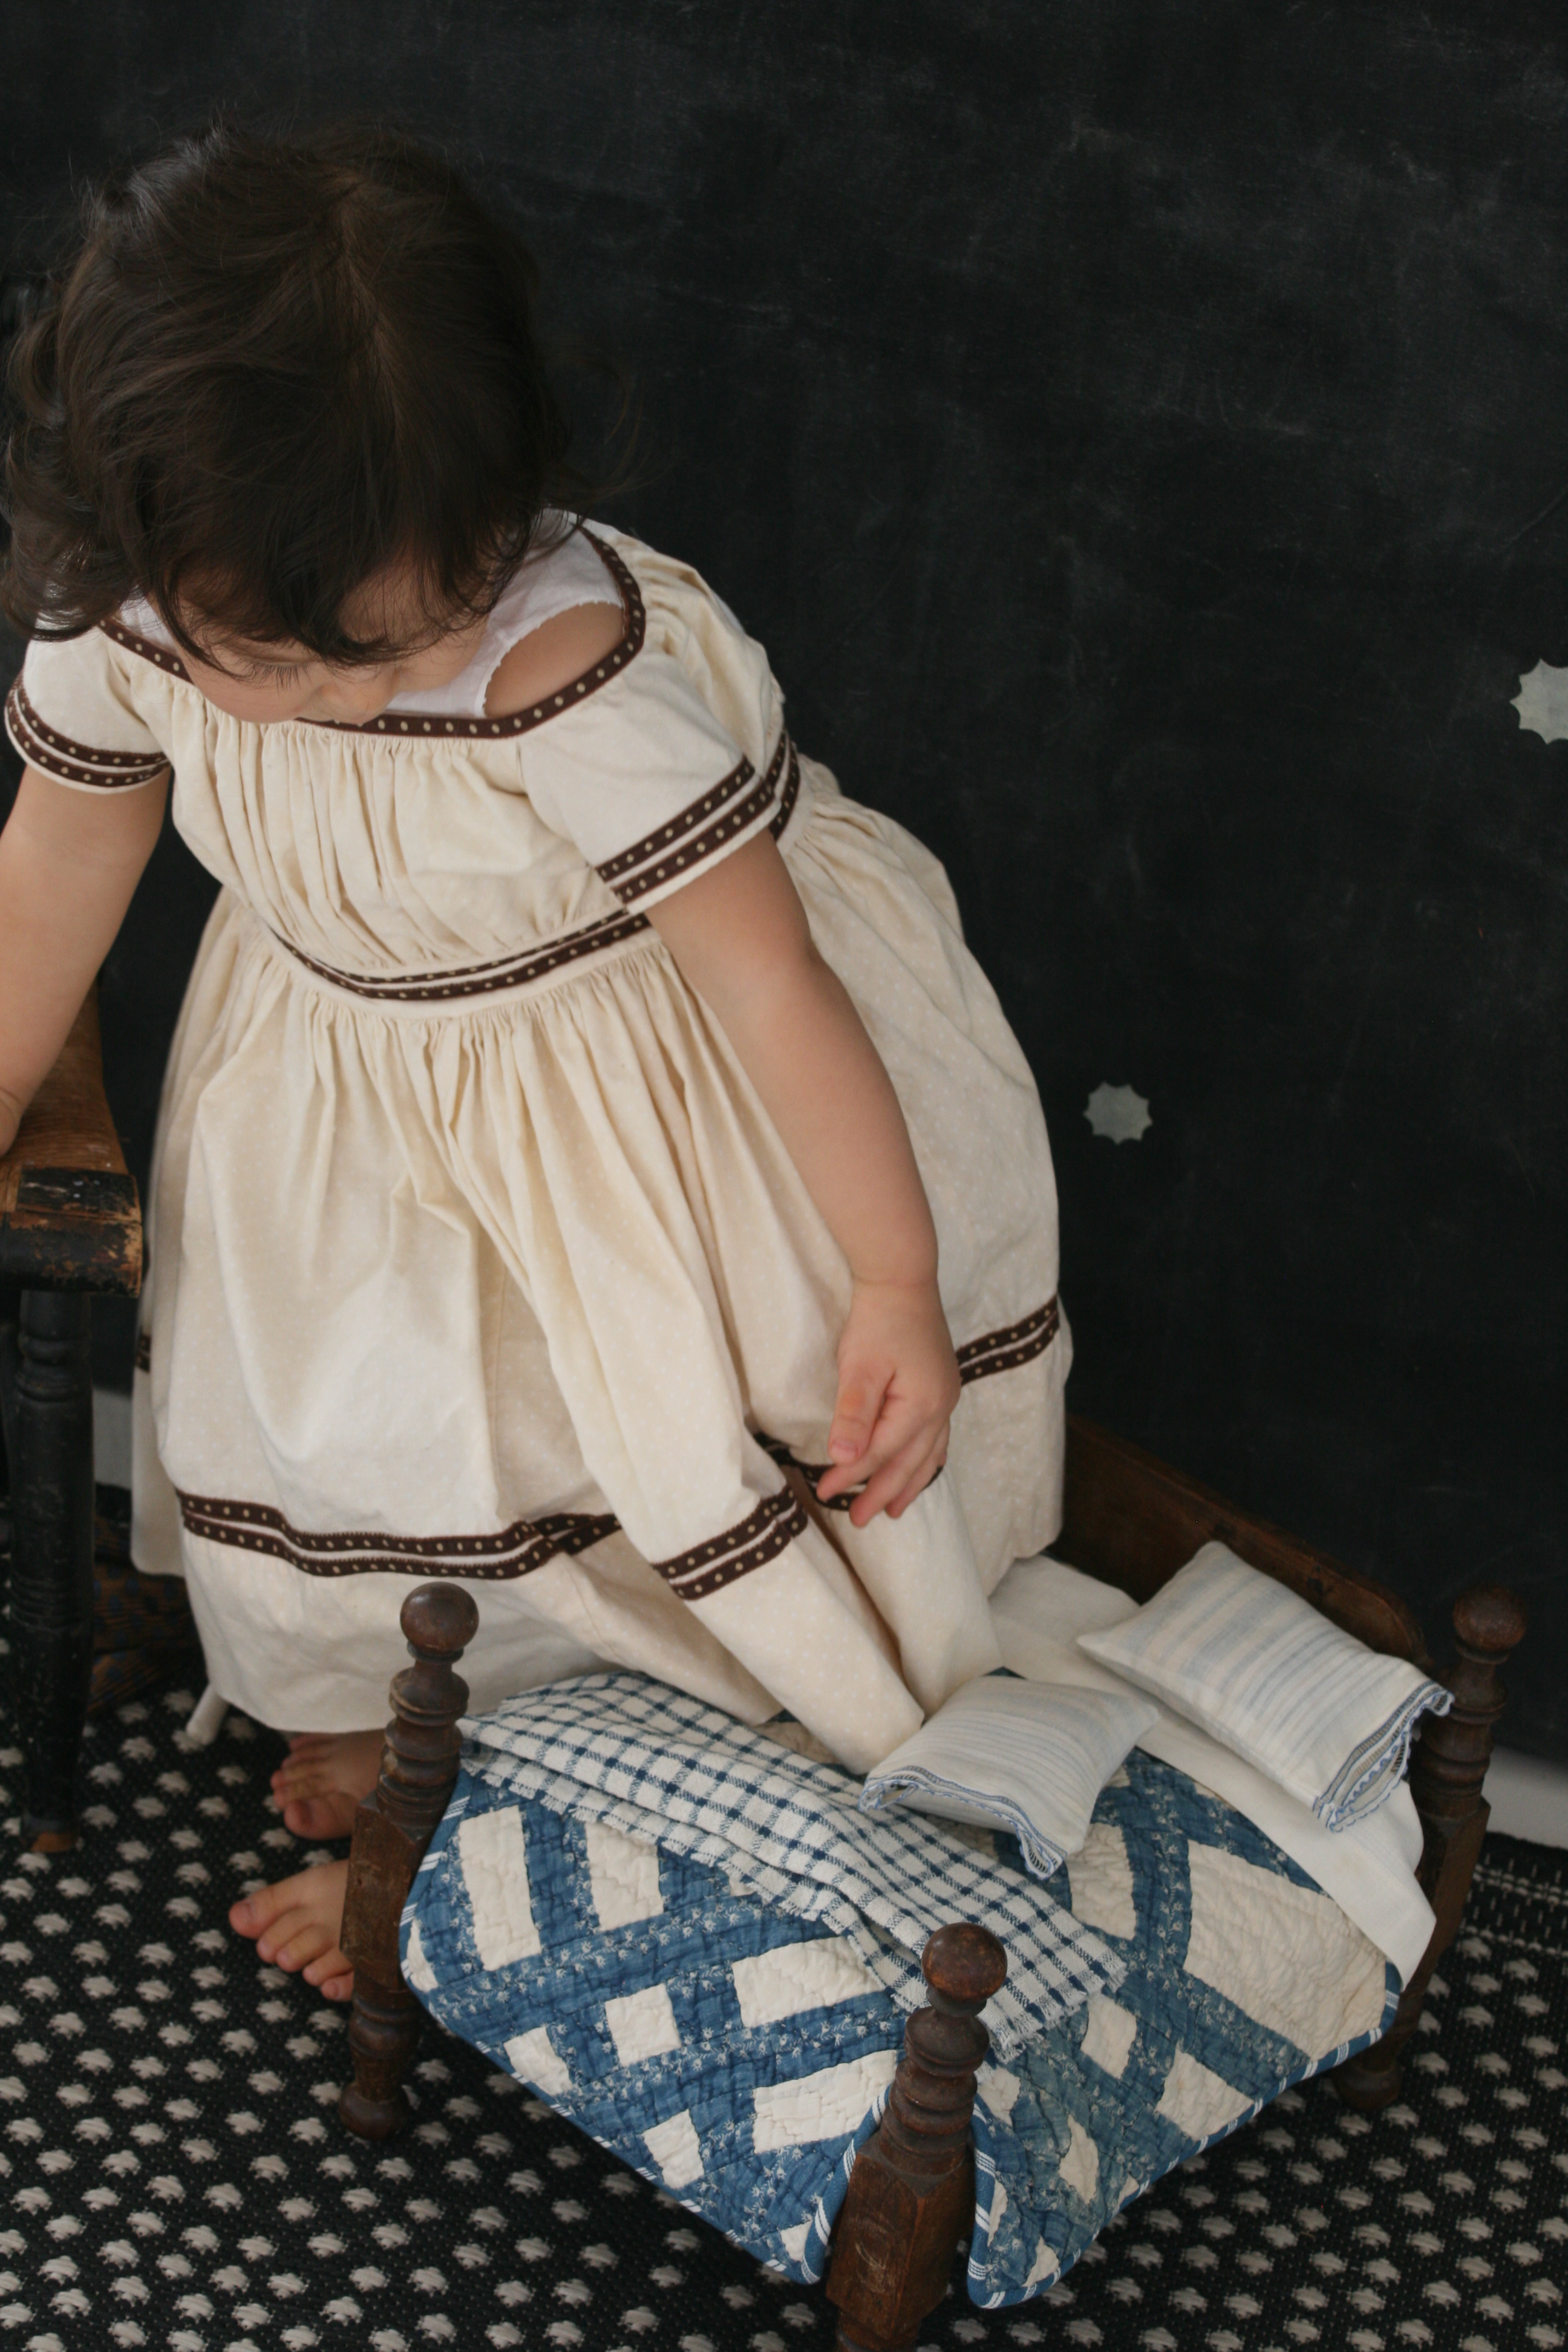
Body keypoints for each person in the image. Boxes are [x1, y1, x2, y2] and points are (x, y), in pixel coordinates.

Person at [0, 122, 1069, 1999]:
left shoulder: (556, 671)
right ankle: (422, 1731)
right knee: (379, 1452)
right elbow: (50, 878)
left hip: (649, 1106)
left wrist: (895, 1278)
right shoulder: (136, 613)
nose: (335, 700)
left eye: (379, 643)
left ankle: (534, 1823)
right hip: (351, 1097)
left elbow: (772, 988)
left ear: (492, 514)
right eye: (276, 660)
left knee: (631, 1480)